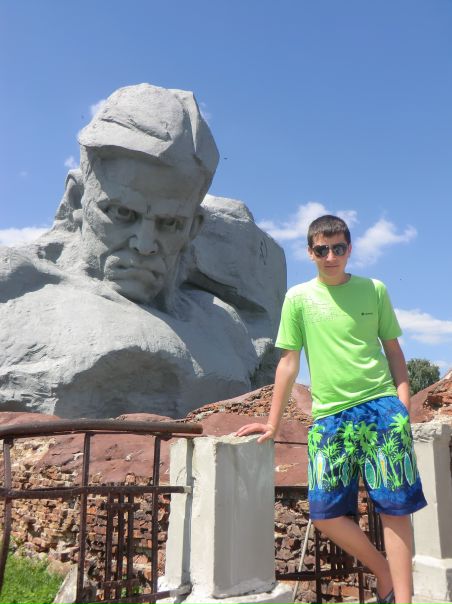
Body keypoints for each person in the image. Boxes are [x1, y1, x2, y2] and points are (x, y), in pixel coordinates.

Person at [0, 84, 285, 419]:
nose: (145, 244)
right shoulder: (16, 296)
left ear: (193, 228)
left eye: (170, 223)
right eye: (122, 213)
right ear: (77, 200)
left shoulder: (224, 329)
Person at [236, 214, 427, 604]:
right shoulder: (298, 298)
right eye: (322, 249)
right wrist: (272, 423)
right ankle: (384, 574)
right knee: (324, 513)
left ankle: (403, 599)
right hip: (329, 417)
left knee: (395, 510)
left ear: (349, 249)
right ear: (310, 252)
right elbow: (288, 363)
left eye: (338, 248)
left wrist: (402, 405)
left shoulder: (374, 290)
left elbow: (394, 351)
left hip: (380, 408)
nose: (331, 256)